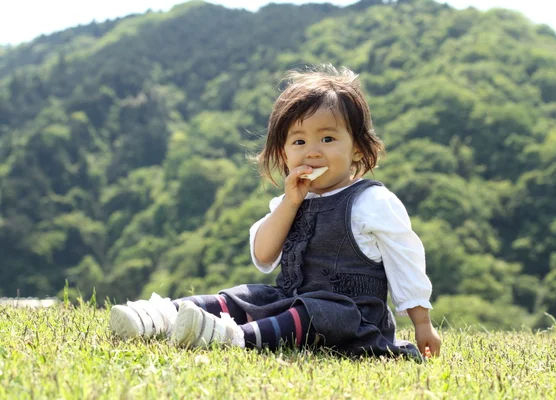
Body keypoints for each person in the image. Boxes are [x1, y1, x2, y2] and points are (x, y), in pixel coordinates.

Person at [109, 64, 441, 360]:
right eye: (298, 142)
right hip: (291, 301)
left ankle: (234, 338)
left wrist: (422, 324)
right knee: (246, 295)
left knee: (320, 311)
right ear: (282, 153)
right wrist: (290, 203)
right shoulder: (290, 201)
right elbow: (264, 256)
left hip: (350, 320)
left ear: (356, 148)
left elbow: (405, 262)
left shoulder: (372, 202)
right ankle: (165, 316)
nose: (312, 151)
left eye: (327, 138)